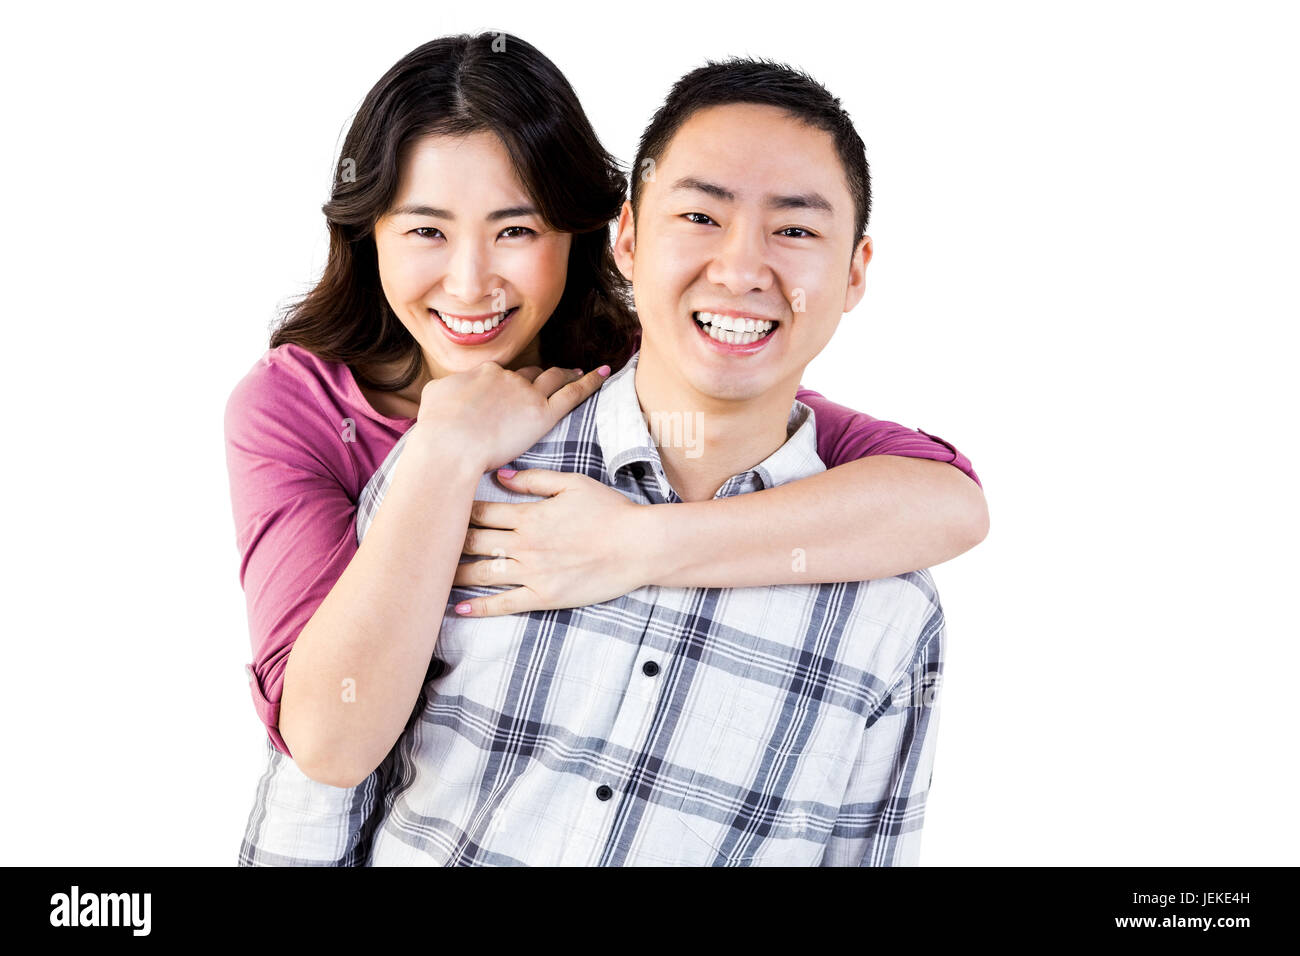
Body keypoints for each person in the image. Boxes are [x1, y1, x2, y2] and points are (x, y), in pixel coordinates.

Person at [227, 35, 984, 865]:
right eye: (425, 231)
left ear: (591, 234)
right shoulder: (326, 423)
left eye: (515, 229)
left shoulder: (668, 356)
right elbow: (325, 758)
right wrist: (444, 456)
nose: (471, 283)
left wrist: (635, 545)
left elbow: (944, 500)